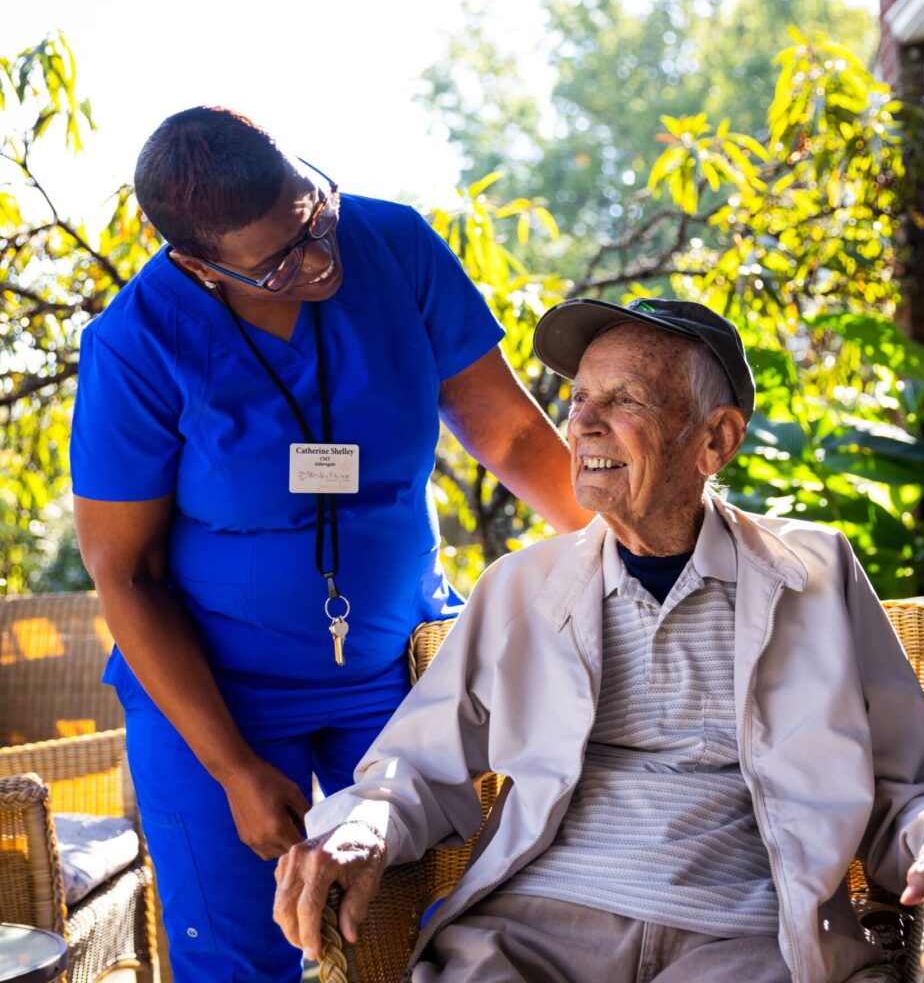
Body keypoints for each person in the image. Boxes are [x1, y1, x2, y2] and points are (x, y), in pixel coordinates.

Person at [274, 296, 924, 983]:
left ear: (714, 440)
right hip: (533, 927)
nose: (582, 425)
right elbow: (415, 768)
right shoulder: (520, 586)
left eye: (623, 400)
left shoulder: (815, 574)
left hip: (746, 937)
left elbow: (908, 788)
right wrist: (364, 824)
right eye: (577, 400)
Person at [69, 106, 591, 983]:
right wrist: (233, 768)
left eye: (313, 214)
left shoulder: (393, 245)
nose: (318, 260)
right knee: (241, 957)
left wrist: (651, 546)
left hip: (393, 671)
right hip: (217, 698)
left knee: (425, 938)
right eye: (279, 262)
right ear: (198, 267)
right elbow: (124, 574)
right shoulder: (136, 343)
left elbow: (511, 441)